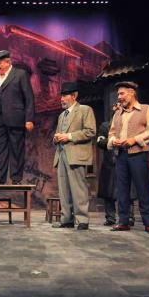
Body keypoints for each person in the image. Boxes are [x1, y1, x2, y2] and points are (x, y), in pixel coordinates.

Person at [108, 81, 149, 235]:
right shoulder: (118, 113)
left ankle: (148, 223)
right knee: (122, 189)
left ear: (132, 93)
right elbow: (111, 132)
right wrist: (113, 140)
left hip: (138, 154)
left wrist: (135, 139)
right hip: (121, 154)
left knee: (143, 188)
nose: (119, 97)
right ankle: (123, 221)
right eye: (118, 94)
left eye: (121, 93)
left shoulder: (146, 109)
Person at [51, 82, 96, 230]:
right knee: (64, 190)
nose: (62, 99)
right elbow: (58, 134)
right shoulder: (61, 115)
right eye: (61, 96)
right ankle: (67, 219)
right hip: (61, 155)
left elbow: (90, 131)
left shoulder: (84, 110)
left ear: (74, 96)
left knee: (78, 189)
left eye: (64, 96)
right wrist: (56, 138)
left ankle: (82, 220)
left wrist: (69, 136)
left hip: (76, 155)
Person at [0, 50, 35, 184]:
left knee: (16, 148)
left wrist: (29, 119)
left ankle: (16, 178)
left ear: (7, 62)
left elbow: (29, 98)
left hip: (16, 118)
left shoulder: (20, 74)